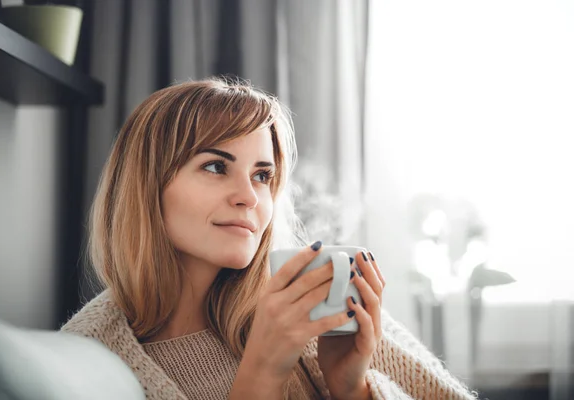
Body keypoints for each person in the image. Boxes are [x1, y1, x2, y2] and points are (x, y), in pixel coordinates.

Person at [61, 78, 478, 400]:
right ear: (146, 186)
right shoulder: (82, 361)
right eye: (215, 167)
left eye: (263, 176)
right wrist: (261, 373)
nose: (249, 197)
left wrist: (354, 389)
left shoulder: (316, 300)